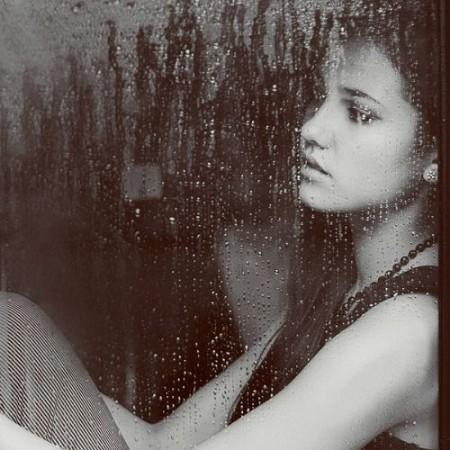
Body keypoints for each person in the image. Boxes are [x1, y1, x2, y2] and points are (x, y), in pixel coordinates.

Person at [0, 0, 440, 449]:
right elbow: (162, 444)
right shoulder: (340, 288)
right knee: (10, 326)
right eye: (321, 99)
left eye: (359, 113)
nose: (312, 129)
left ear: (434, 153)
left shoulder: (410, 331)